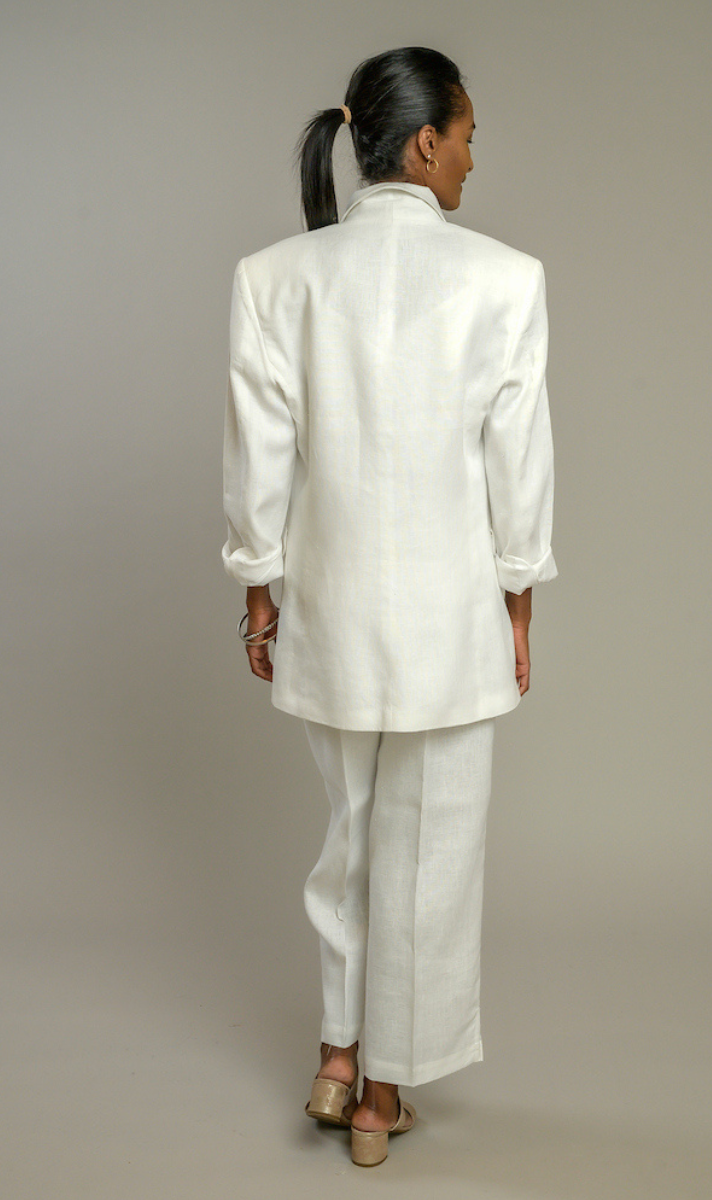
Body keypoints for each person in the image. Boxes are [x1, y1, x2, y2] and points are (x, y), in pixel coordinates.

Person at [221, 46, 558, 1167]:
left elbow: (260, 458)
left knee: (348, 839)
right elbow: (519, 463)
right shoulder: (504, 278)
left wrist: (259, 591)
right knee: (430, 850)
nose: (471, 159)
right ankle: (380, 1098)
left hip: (328, 614)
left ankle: (335, 1053)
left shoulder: (275, 276)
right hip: (448, 622)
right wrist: (520, 597)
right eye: (465, 138)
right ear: (423, 143)